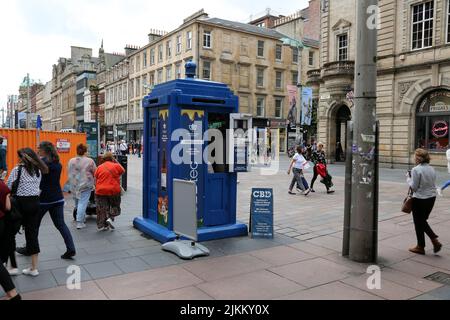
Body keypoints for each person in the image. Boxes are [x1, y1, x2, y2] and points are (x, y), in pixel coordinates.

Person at [7, 148, 48, 277]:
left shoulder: (17, 170)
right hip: (35, 203)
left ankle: (13, 267)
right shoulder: (38, 171)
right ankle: (34, 268)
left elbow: (8, 187)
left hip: (19, 204)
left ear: (22, 158)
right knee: (32, 234)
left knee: (10, 233)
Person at [407, 148, 442, 255]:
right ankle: (421, 245)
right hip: (431, 198)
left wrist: (408, 178)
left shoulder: (416, 170)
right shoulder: (432, 168)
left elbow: (414, 187)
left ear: (417, 158)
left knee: (419, 222)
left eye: (415, 156)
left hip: (420, 199)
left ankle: (433, 240)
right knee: (421, 221)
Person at [68, 144, 97, 230]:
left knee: (77, 203)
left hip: (74, 184)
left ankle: (81, 217)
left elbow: (69, 171)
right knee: (82, 203)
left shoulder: (71, 160)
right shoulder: (90, 161)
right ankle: (79, 222)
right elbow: (95, 171)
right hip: (85, 184)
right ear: (85, 151)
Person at [94, 152, 125, 231]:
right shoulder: (116, 166)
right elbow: (123, 171)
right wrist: (116, 161)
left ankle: (104, 225)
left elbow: (96, 178)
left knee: (102, 208)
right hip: (113, 190)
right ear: (112, 158)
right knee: (115, 206)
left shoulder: (99, 167)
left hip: (100, 190)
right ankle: (110, 218)